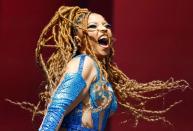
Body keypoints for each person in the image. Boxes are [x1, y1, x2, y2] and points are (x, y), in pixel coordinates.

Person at [6, 6, 189, 131]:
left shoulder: (98, 70)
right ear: (78, 39)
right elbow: (56, 109)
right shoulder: (83, 63)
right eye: (93, 26)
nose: (103, 29)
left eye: (106, 25)